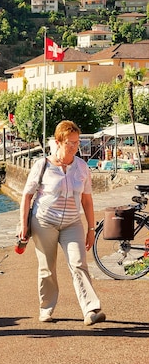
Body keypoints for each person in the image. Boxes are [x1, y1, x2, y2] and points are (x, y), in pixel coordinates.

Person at [18, 120, 106, 326]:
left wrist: (91, 229)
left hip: (72, 223)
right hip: (44, 222)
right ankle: (46, 308)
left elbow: (87, 200)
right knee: (47, 268)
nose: (74, 147)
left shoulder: (82, 167)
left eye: (77, 143)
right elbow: (26, 196)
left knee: (78, 264)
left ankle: (91, 309)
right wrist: (24, 225)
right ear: (58, 142)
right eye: (70, 143)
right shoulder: (43, 166)